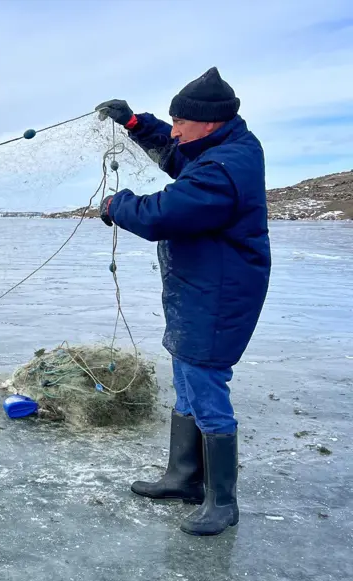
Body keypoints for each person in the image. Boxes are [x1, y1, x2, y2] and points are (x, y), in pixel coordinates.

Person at [95, 67, 271, 536]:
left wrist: (118, 205)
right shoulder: (218, 149)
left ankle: (221, 501)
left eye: (180, 121)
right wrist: (136, 125)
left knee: (205, 385)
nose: (173, 130)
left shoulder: (224, 169)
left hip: (218, 295)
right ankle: (184, 477)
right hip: (199, 288)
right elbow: (177, 153)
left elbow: (164, 213)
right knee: (186, 377)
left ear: (208, 123)